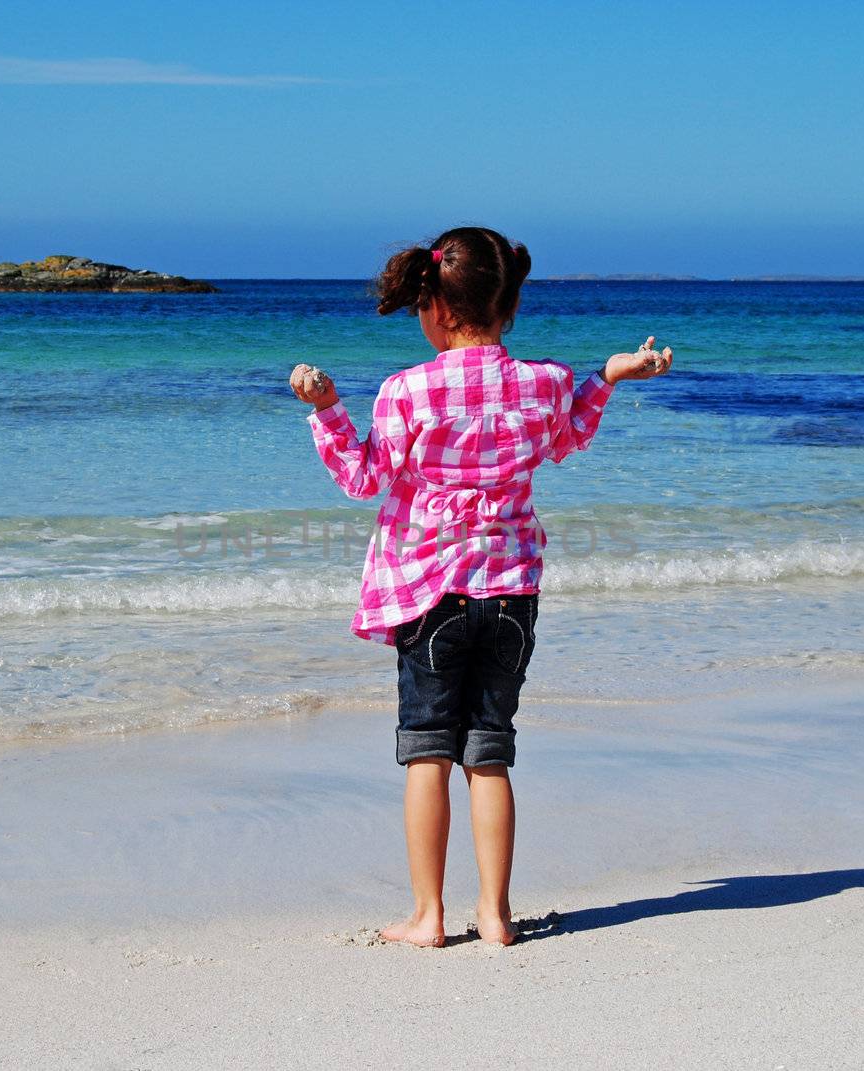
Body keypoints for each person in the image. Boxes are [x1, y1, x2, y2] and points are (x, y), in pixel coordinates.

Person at [289, 226, 672, 946]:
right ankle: (495, 915)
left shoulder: (406, 391)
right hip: (511, 596)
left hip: (431, 595)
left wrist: (328, 409)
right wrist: (609, 378)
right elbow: (566, 439)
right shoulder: (547, 382)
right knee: (489, 751)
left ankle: (429, 915)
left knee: (428, 751)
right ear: (510, 306)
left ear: (432, 304)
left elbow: (363, 476)